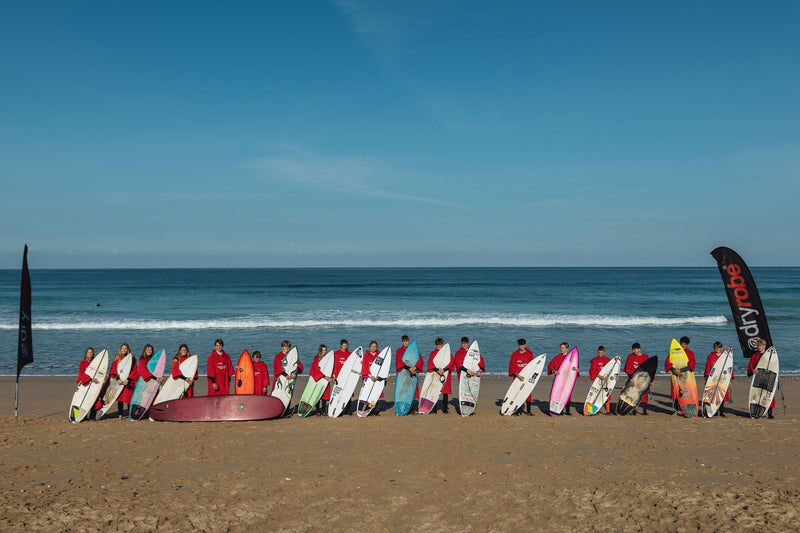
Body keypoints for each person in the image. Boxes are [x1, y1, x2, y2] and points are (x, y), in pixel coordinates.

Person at [666, 336, 696, 414]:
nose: (684, 346)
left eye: (686, 344)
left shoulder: (690, 353)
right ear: (680, 343)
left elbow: (691, 365)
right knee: (676, 392)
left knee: (687, 393)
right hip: (675, 375)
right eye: (683, 344)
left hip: (686, 376)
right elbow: (668, 363)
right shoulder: (674, 352)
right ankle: (675, 410)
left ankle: (686, 410)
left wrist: (680, 370)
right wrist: (674, 370)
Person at [547, 342, 579, 415]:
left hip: (568, 379)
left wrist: (577, 371)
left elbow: (575, 368)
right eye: (561, 348)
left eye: (563, 348)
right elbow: (550, 366)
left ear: (567, 349)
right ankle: (556, 409)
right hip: (559, 379)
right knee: (557, 393)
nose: (562, 349)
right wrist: (554, 371)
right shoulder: (557, 357)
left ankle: (567, 411)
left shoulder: (571, 358)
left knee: (567, 394)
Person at [748, 338, 775, 419]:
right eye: (758, 346)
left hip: (768, 377)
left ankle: (770, 413)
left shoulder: (770, 355)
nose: (759, 347)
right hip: (758, 377)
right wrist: (752, 371)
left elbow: (774, 366)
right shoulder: (754, 356)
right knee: (757, 394)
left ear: (764, 346)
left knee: (769, 394)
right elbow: (750, 367)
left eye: (760, 346)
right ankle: (757, 411)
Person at [704, 341, 733, 417]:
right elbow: (708, 367)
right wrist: (706, 378)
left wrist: (730, 380)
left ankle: (721, 412)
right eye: (716, 347)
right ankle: (715, 411)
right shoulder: (710, 356)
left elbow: (729, 368)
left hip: (723, 379)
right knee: (713, 395)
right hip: (713, 379)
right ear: (714, 348)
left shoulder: (725, 357)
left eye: (719, 347)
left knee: (721, 395)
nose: (717, 349)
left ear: (721, 348)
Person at [396, 335, 425, 411]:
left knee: (411, 390)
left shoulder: (414, 351)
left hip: (413, 372)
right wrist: (409, 368)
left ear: (409, 341)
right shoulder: (399, 351)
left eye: (407, 341)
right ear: (402, 342)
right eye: (404, 341)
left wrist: (415, 368)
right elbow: (399, 362)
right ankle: (402, 408)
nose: (406, 343)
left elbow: (420, 361)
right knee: (403, 390)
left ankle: (411, 408)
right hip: (403, 373)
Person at [427, 337, 455, 414]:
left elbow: (451, 362)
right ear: (436, 345)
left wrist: (443, 370)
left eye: (440, 345)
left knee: (445, 392)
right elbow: (431, 364)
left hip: (445, 374)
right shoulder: (433, 353)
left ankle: (445, 409)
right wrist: (437, 370)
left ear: (443, 345)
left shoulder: (447, 353)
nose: (439, 347)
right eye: (438, 345)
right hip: (436, 374)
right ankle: (434, 409)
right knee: (435, 391)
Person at [110, 343, 137, 419]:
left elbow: (134, 370)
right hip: (119, 381)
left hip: (128, 381)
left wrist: (128, 379)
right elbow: (114, 370)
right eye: (123, 348)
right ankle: (120, 415)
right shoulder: (117, 358)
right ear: (120, 349)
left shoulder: (132, 358)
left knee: (129, 398)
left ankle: (130, 414)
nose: (124, 350)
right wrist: (118, 379)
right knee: (120, 399)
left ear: (128, 349)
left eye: (125, 348)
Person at [508, 338, 534, 415]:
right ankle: (519, 411)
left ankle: (529, 412)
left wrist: (530, 376)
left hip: (527, 377)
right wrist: (518, 376)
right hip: (517, 378)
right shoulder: (514, 355)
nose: (521, 346)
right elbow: (512, 367)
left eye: (523, 345)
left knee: (528, 394)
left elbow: (533, 366)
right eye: (520, 345)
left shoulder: (529, 355)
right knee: (518, 394)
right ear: (518, 345)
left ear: (525, 345)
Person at [623, 343, 650, 415]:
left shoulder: (645, 357)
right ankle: (634, 410)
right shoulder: (630, 356)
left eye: (637, 349)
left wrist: (651, 380)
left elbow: (649, 369)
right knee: (634, 394)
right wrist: (631, 379)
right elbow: (628, 368)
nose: (635, 351)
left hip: (643, 379)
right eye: (634, 349)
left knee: (644, 394)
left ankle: (644, 411)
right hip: (634, 379)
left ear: (640, 349)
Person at [76, 347, 103, 418]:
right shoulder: (82, 363)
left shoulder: (96, 363)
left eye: (91, 352)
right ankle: (82, 416)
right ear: (86, 354)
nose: (90, 354)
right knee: (82, 400)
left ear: (93, 354)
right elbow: (81, 373)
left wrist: (103, 379)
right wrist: (90, 379)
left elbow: (100, 372)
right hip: (85, 383)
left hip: (94, 384)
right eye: (88, 352)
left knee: (93, 399)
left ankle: (92, 415)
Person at [361, 341, 387, 413]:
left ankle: (375, 410)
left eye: (375, 346)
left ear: (377, 347)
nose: (373, 348)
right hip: (369, 378)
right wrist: (370, 375)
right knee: (368, 394)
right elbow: (365, 367)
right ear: (369, 347)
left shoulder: (380, 355)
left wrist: (386, 375)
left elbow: (384, 366)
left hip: (377, 379)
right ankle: (368, 410)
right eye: (372, 346)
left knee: (376, 394)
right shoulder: (366, 355)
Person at [330, 339, 353, 414]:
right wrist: (334, 375)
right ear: (340, 345)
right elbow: (334, 365)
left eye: (346, 345)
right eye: (343, 345)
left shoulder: (350, 354)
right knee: (339, 392)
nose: (344, 347)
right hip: (339, 376)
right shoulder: (336, 354)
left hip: (347, 376)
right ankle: (338, 408)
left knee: (348, 392)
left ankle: (348, 409)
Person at [588, 345, 612, 414]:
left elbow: (611, 370)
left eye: (601, 352)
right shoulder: (594, 360)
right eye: (599, 352)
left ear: (604, 352)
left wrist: (614, 378)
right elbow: (592, 371)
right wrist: (599, 376)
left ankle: (608, 411)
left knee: (607, 395)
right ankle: (596, 410)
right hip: (597, 380)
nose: (600, 354)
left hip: (606, 380)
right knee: (596, 395)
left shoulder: (608, 360)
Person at [309, 344, 330, 415]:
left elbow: (330, 367)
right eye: (322, 350)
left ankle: (323, 410)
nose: (324, 351)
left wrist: (330, 376)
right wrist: (323, 376)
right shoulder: (316, 358)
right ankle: (317, 410)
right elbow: (315, 369)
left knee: (324, 395)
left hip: (326, 379)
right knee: (317, 394)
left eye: (325, 350)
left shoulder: (328, 358)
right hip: (318, 378)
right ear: (320, 350)